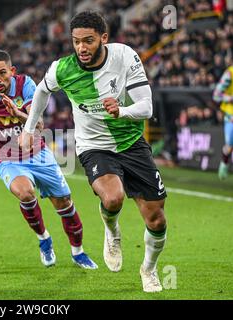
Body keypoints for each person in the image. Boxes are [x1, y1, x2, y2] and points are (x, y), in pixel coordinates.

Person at [20, 11, 168, 292]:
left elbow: (146, 107)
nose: (81, 48)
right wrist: (28, 130)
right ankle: (112, 230)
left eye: (88, 41)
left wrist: (122, 111)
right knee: (113, 198)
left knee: (156, 219)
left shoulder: (124, 57)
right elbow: (41, 91)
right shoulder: (62, 69)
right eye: (76, 41)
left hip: (131, 143)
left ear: (103, 38)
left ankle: (148, 269)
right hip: (94, 145)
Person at [0, 49, 97, 269]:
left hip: (39, 154)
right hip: (7, 158)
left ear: (12, 71)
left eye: (2, 73)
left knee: (64, 203)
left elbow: (40, 124)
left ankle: (78, 252)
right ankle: (44, 239)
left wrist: (17, 113)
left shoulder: (26, 86)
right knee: (25, 193)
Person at [213, 44, 233, 192]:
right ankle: (225, 162)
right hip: (232, 118)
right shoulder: (230, 74)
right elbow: (216, 95)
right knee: (230, 147)